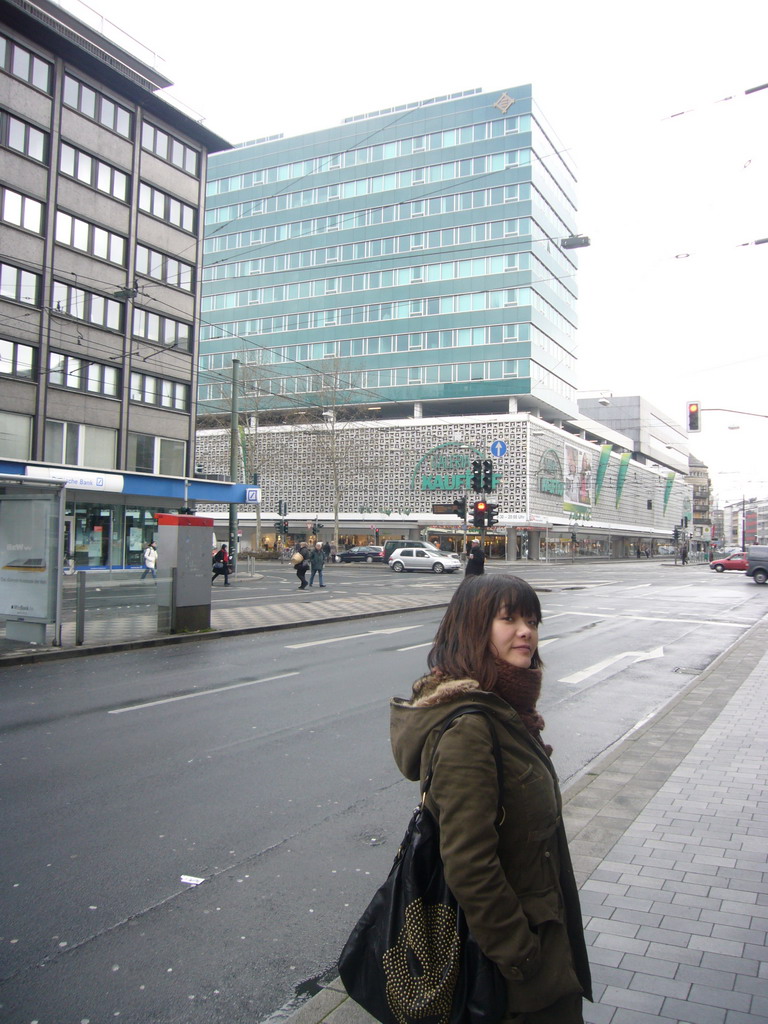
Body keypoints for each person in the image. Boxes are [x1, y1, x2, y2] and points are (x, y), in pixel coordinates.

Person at [390, 575, 592, 1023]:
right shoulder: (472, 728)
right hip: (510, 972)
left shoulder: (508, 712)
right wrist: (522, 955)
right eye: (509, 619)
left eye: (532, 620)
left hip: (537, 935)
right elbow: (468, 861)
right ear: (473, 629)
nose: (526, 631)